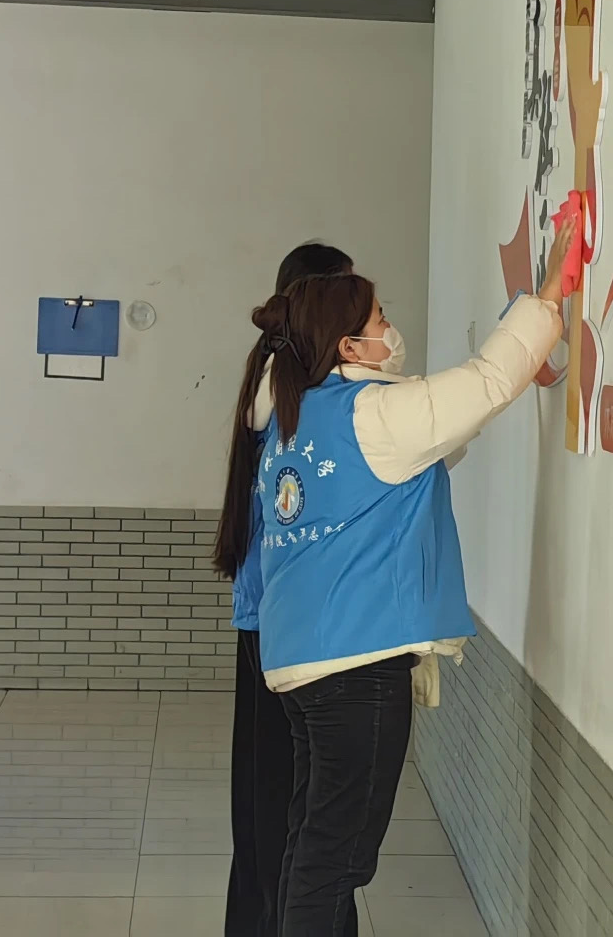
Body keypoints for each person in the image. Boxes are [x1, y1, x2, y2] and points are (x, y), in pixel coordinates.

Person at [224, 216, 576, 935]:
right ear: (349, 346)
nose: (393, 327)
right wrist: (547, 297)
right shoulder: (373, 413)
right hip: (356, 669)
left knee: (311, 846)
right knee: (333, 861)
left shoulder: (297, 413)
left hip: (302, 665)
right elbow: (487, 382)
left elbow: (444, 431)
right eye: (380, 318)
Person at [214, 242, 354, 937]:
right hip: (283, 623)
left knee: (275, 798)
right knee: (285, 802)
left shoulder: (277, 373)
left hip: (273, 620)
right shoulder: (288, 382)